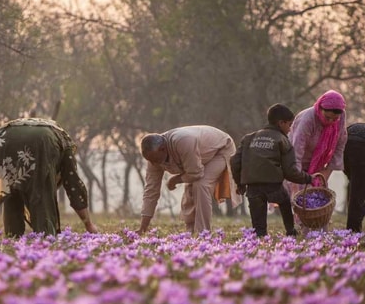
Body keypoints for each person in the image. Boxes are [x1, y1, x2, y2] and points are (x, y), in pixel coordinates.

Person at [0, 117, 98, 237]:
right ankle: (45, 238)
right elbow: (73, 184)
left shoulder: (57, 135)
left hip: (5, 137)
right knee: (42, 192)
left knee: (11, 186)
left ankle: (12, 237)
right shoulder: (65, 144)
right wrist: (88, 224)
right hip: (43, 141)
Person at [132, 125, 241, 234]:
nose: (153, 164)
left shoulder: (183, 141)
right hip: (200, 156)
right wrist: (143, 228)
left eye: (154, 160)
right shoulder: (153, 157)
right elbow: (151, 191)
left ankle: (203, 233)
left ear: (163, 149)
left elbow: (196, 174)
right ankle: (190, 230)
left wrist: (175, 180)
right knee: (191, 187)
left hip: (220, 149)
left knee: (200, 185)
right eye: (150, 160)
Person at [230, 104, 314, 237]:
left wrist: (240, 184)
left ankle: (260, 237)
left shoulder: (248, 138)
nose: (290, 129)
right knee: (285, 202)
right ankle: (290, 231)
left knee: (258, 224)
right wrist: (308, 178)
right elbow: (290, 172)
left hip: (252, 187)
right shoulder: (282, 140)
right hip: (273, 186)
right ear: (281, 123)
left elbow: (234, 162)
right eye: (289, 125)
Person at [289, 89, 347, 185]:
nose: (331, 122)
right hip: (295, 169)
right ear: (320, 109)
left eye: (335, 119)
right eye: (327, 117)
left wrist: (325, 175)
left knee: (319, 196)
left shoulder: (341, 117)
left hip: (317, 168)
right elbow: (296, 152)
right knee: (296, 197)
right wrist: (295, 182)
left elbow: (340, 144)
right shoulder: (307, 119)